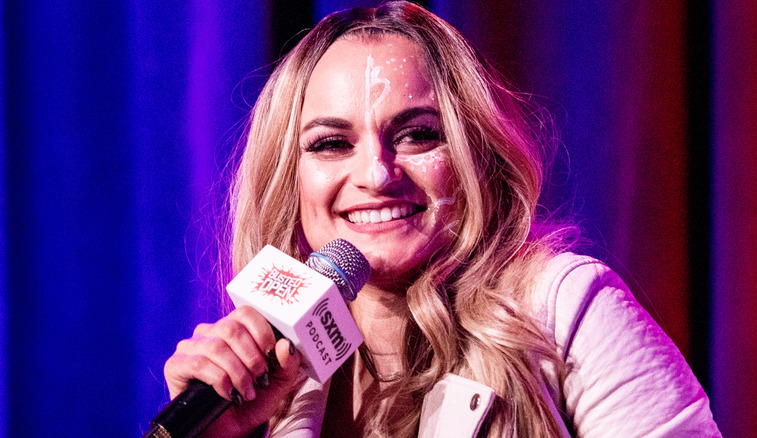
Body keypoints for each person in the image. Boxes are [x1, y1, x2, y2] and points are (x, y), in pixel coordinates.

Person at [162, 1, 720, 436]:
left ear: (475, 156)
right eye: (332, 143)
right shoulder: (274, 374)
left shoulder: (565, 309)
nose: (377, 175)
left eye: (418, 135)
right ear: (289, 177)